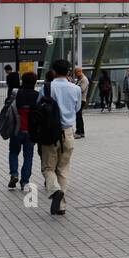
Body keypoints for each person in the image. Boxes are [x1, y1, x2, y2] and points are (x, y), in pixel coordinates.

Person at [43, 59, 82, 216]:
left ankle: (55, 190)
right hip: (68, 132)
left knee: (48, 167)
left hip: (49, 133)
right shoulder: (75, 89)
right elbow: (77, 108)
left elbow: (40, 106)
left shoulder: (47, 87)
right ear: (68, 72)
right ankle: (61, 207)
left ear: (54, 71)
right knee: (63, 169)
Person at [10, 71, 39, 191]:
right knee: (28, 156)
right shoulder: (38, 95)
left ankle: (14, 174)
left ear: (22, 81)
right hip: (31, 132)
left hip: (16, 130)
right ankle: (25, 181)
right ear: (35, 82)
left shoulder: (16, 93)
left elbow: (8, 107)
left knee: (13, 153)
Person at [72, 66, 89, 138]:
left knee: (78, 116)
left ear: (80, 72)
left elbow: (81, 89)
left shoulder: (84, 80)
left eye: (76, 73)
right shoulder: (79, 79)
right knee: (79, 116)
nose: (75, 74)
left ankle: (79, 131)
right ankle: (81, 131)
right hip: (79, 100)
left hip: (81, 100)